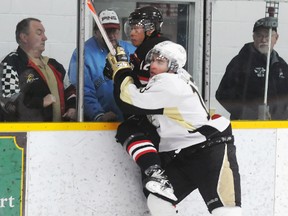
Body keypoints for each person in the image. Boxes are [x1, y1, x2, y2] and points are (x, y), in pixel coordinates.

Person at [107, 41, 242, 216]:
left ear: (173, 67)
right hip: (185, 153)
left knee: (226, 212)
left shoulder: (171, 84)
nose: (153, 65)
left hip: (212, 150)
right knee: (157, 198)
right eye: (153, 60)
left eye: (160, 62)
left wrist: (122, 71)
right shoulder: (171, 79)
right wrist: (122, 72)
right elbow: (141, 90)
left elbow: (129, 100)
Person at [107, 6, 176, 201]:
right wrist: (118, 72)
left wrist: (121, 72)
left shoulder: (155, 49)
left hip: (162, 125)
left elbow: (135, 100)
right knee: (156, 192)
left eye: (137, 27)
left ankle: (154, 170)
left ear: (150, 29)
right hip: (163, 124)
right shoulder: (149, 50)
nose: (131, 31)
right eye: (131, 26)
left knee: (128, 128)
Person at [0, 17, 76, 122]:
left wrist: (73, 107)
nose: (45, 38)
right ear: (24, 37)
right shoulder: (10, 63)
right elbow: (8, 101)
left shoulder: (54, 64)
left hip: (59, 134)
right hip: (25, 135)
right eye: (39, 33)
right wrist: (41, 102)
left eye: (44, 33)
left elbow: (70, 90)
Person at [68, 9, 135, 122]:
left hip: (130, 119)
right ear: (96, 32)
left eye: (115, 31)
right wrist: (98, 115)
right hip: (99, 122)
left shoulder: (130, 50)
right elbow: (83, 90)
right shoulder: (82, 53)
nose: (112, 35)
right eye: (106, 31)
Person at [216, 17, 288, 120]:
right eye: (259, 36)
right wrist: (248, 114)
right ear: (253, 37)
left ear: (276, 38)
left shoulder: (282, 66)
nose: (263, 40)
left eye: (267, 36)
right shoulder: (240, 62)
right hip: (247, 127)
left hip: (278, 128)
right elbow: (222, 94)